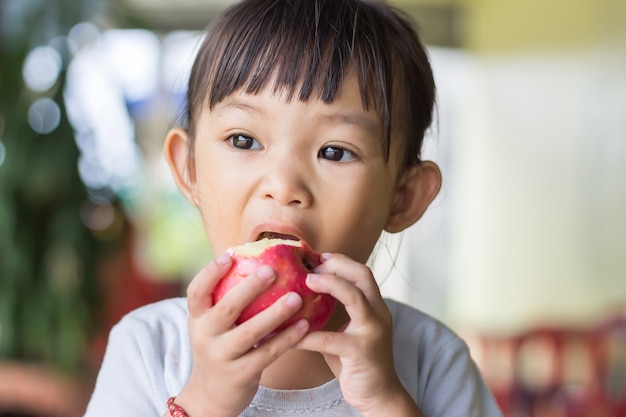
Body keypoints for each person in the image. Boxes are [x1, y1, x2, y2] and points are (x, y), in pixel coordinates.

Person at [84, 0, 504, 416]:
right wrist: (204, 402)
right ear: (189, 168)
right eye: (244, 140)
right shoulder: (150, 350)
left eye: (336, 151)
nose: (284, 186)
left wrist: (385, 402)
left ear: (403, 197)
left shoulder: (432, 361)